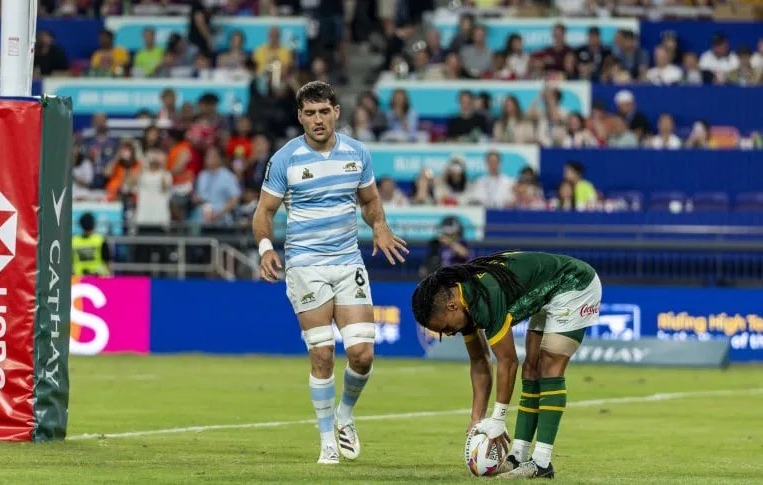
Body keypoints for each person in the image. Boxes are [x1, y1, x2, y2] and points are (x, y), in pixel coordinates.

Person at [252, 81, 408, 465]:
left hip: (348, 261)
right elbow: (264, 212)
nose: (318, 120)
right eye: (310, 113)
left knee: (363, 355)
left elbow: (370, 201)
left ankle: (344, 415)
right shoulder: (285, 159)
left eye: (324, 111)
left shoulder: (357, 153)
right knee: (322, 355)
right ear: (300, 116)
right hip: (305, 265)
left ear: (336, 111)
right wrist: (266, 248)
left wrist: (381, 226)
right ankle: (326, 442)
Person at [410, 251, 603, 479]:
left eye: (443, 328)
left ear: (451, 306)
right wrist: (478, 419)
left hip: (573, 283)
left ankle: (541, 462)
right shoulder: (464, 304)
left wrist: (498, 419)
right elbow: (481, 362)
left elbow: (508, 361)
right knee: (531, 370)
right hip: (547, 292)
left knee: (549, 366)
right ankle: (517, 458)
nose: (447, 334)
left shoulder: (484, 297)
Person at [72, 212, 112, 276]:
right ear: (94, 224)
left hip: (79, 279)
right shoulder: (100, 240)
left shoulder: (74, 241)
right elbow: (107, 261)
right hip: (98, 279)